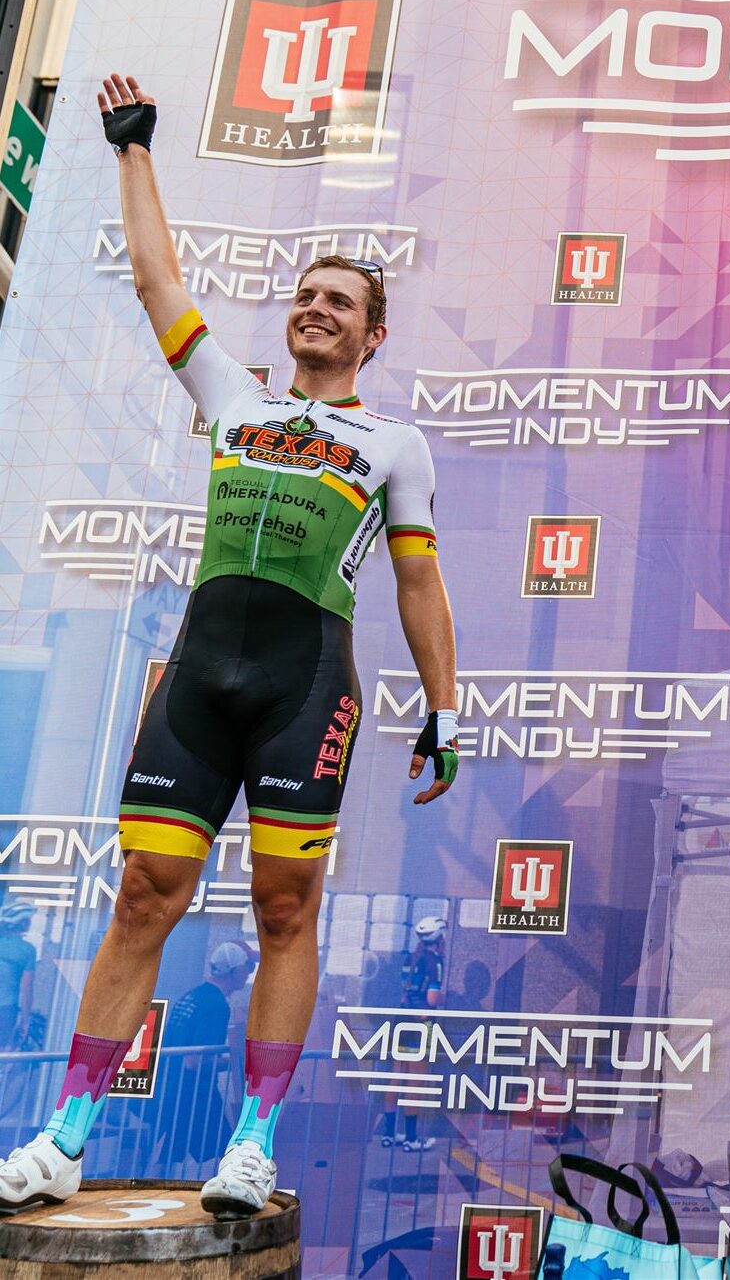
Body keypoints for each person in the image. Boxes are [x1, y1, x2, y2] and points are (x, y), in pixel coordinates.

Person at [0, 74, 463, 1219]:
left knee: (285, 910)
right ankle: (64, 1136)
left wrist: (447, 708)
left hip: (305, 681)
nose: (315, 309)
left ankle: (251, 1145)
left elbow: (417, 579)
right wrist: (133, 151)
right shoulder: (231, 392)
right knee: (145, 894)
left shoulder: (394, 443)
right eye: (306, 295)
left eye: (339, 301)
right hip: (201, 671)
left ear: (372, 332)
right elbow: (159, 279)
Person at [153, 943, 255, 1172]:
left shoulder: (191, 996)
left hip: (172, 1089)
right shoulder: (217, 1005)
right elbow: (195, 1061)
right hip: (197, 1094)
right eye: (246, 968)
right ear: (233, 971)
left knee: (170, 1151)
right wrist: (233, 1060)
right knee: (223, 1150)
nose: (248, 974)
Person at [378, 916, 446, 1153]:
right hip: (421, 1022)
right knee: (415, 1082)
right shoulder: (435, 961)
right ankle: (412, 1138)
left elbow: (404, 988)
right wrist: (442, 1000)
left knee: (396, 1077)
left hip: (402, 1019)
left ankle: (388, 1134)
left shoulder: (410, 957)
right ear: (439, 938)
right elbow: (431, 999)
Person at [0, 903, 36, 1051]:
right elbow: (26, 989)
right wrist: (25, 1020)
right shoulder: (27, 950)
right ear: (22, 922)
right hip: (6, 1009)